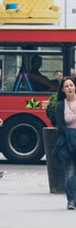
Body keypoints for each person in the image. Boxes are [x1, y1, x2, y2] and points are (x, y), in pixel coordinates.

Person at [52, 76, 76, 210]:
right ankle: (71, 201)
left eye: (71, 85)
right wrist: (71, 134)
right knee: (70, 173)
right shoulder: (61, 105)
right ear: (63, 90)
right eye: (66, 86)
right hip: (68, 142)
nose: (69, 88)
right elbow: (60, 125)